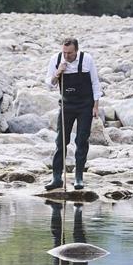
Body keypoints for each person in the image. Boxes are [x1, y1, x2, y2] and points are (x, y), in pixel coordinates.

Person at [44, 37, 102, 191]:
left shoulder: (87, 59)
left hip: (85, 105)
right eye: (64, 52)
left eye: (69, 53)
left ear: (76, 50)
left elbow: (95, 83)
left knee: (82, 140)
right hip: (66, 105)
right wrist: (58, 72)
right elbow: (49, 85)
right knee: (61, 141)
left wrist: (96, 106)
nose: (66, 56)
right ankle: (56, 178)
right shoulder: (56, 59)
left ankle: (78, 177)